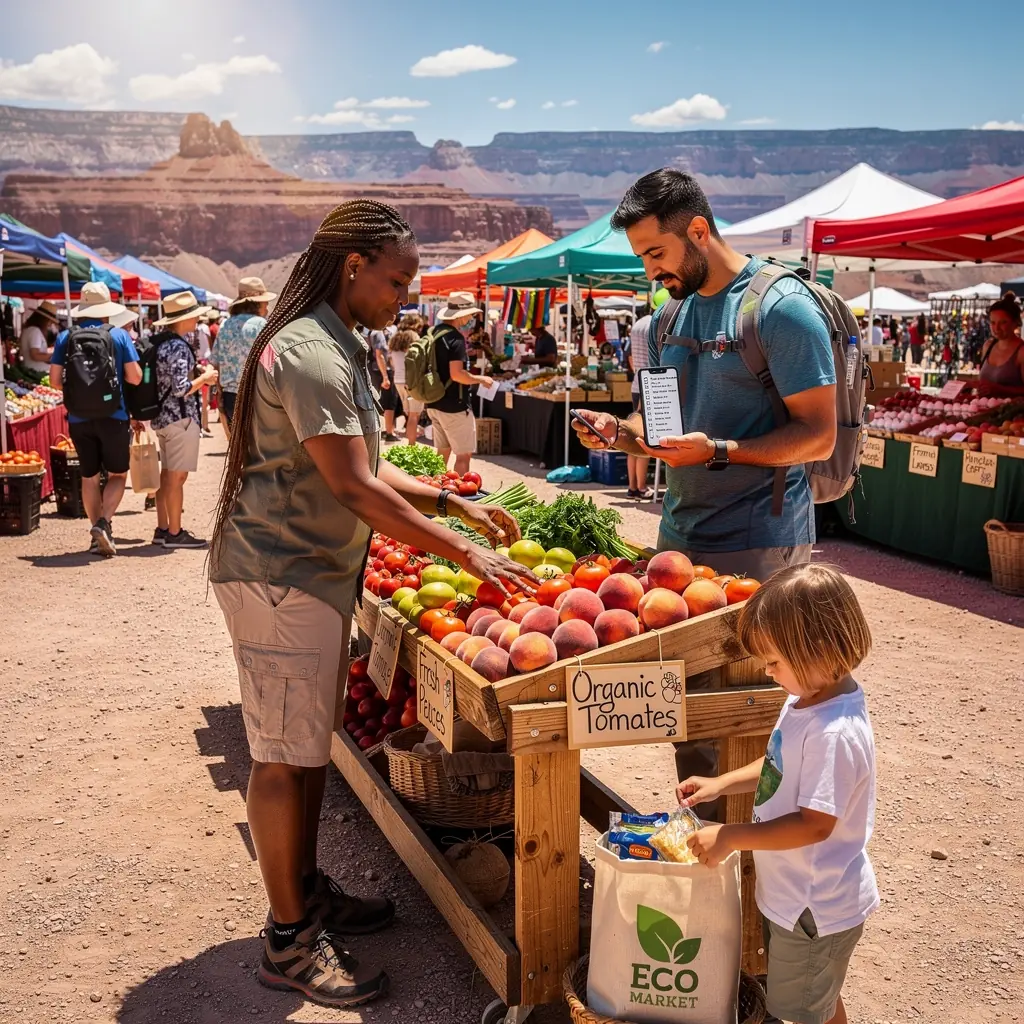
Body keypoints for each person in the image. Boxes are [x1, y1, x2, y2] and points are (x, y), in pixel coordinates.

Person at [208, 200, 537, 1009]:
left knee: (306, 750)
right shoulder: (313, 351)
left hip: (309, 575)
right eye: (398, 279)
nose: (407, 297)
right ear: (354, 265)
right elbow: (351, 486)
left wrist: (449, 503)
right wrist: (460, 549)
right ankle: (287, 943)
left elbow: (364, 465)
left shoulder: (335, 341)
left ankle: (305, 893)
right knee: (283, 761)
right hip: (281, 577)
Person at [571, 169, 836, 812]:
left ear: (698, 230)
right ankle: (711, 856)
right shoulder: (668, 319)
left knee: (760, 714)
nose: (649, 271)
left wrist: (721, 450)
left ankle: (762, 872)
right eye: (640, 258)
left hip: (760, 548)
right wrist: (622, 435)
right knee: (689, 720)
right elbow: (664, 433)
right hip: (681, 545)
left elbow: (820, 436)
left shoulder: (780, 309)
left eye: (655, 254)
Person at [680, 564, 878, 1024]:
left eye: (774, 662)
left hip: (816, 907)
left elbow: (815, 824)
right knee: (815, 998)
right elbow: (779, 765)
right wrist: (723, 782)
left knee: (805, 1009)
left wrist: (730, 834)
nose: (768, 673)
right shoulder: (805, 699)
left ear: (821, 650)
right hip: (794, 899)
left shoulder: (835, 733)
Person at [49, 282, 142, 557]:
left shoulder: (66, 337)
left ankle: (95, 535)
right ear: (106, 310)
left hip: (78, 418)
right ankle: (104, 523)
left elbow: (55, 381)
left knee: (89, 477)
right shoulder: (119, 336)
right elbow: (135, 377)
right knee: (117, 474)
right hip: (114, 415)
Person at [148, 291, 219, 548]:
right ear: (184, 319)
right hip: (181, 418)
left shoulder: (161, 343)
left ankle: (163, 527)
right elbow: (180, 388)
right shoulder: (178, 346)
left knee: (167, 475)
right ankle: (175, 533)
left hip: (163, 418)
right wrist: (205, 378)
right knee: (177, 478)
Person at [426, 291, 494, 475]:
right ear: (462, 315)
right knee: (463, 455)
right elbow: (456, 374)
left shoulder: (434, 333)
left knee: (442, 453)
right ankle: (461, 498)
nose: (472, 317)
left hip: (433, 401)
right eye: (471, 314)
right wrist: (480, 379)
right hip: (454, 405)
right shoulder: (455, 339)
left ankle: (435, 493)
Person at [213, 278, 274, 441]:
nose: (267, 307)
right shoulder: (261, 325)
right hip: (256, 395)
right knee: (261, 450)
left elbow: (216, 363)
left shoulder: (225, 325)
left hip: (230, 398)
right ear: (257, 304)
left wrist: (219, 397)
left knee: (239, 449)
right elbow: (272, 364)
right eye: (264, 303)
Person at [626, 305, 653, 500]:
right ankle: (642, 487)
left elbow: (629, 357)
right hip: (650, 383)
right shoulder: (656, 324)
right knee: (646, 438)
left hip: (636, 383)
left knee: (634, 435)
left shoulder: (636, 326)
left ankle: (632, 486)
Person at [978, 292, 1024, 392]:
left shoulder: (1021, 352)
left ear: (1015, 323)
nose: (996, 328)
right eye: (993, 323)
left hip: (1013, 407)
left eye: (1003, 322)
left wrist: (1000, 389)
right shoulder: (988, 346)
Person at [389, 327, 423, 445]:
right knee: (414, 414)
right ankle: (411, 445)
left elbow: (393, 365)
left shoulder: (394, 352)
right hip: (411, 382)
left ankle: (410, 443)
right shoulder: (410, 352)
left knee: (409, 414)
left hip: (398, 381)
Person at [368, 324, 397, 441]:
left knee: (384, 402)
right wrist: (385, 376)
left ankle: (387, 430)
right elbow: (379, 355)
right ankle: (389, 432)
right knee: (389, 402)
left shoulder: (377, 332)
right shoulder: (378, 332)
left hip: (378, 370)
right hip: (383, 370)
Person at [19, 301, 59, 374]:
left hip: (31, 369)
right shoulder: (35, 331)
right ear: (43, 319)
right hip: (37, 371)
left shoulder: (29, 329)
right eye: (50, 321)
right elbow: (35, 355)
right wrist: (55, 356)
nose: (50, 324)